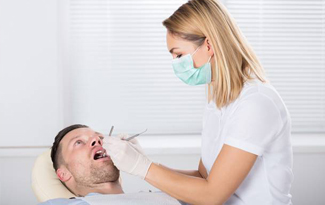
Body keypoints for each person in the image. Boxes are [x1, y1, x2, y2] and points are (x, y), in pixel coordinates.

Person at [106, 0, 293, 205]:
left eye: (179, 55)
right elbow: (204, 177)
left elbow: (211, 195)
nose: (177, 65)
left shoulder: (256, 104)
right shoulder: (218, 100)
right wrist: (143, 161)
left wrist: (142, 168)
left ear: (209, 45)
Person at [40, 124, 185, 205]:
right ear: (63, 173)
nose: (97, 141)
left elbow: (206, 187)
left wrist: (147, 164)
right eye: (79, 142)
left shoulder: (167, 195)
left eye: (99, 137)